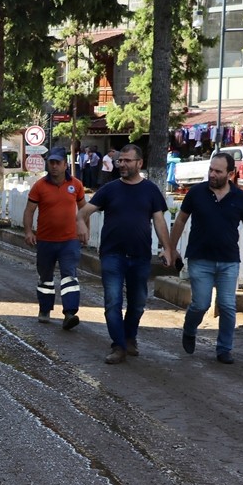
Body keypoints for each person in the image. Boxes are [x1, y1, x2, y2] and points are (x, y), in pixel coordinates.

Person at [77, 144, 176, 365]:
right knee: (112, 301)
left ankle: (130, 338)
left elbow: (159, 221)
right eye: (120, 160)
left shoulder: (150, 190)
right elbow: (84, 211)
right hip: (112, 255)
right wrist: (81, 224)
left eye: (127, 161)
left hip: (140, 256)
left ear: (139, 163)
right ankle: (118, 346)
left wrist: (168, 248)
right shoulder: (109, 189)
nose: (121, 164)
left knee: (138, 302)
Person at [168, 151, 243, 365]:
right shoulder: (196, 193)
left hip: (229, 260)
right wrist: (171, 249)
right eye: (210, 169)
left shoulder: (239, 197)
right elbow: (181, 221)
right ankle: (189, 329)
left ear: (230, 174)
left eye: (218, 171)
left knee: (227, 305)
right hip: (200, 258)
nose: (212, 174)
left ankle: (224, 349)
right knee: (200, 304)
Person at [23, 147, 86, 330]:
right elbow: (29, 210)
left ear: (65, 164)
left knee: (69, 277)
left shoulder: (76, 185)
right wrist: (28, 231)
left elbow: (84, 209)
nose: (54, 166)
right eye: (51, 162)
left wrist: (85, 230)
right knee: (46, 278)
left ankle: (69, 313)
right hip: (45, 241)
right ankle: (45, 309)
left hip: (70, 241)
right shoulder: (40, 186)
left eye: (58, 162)